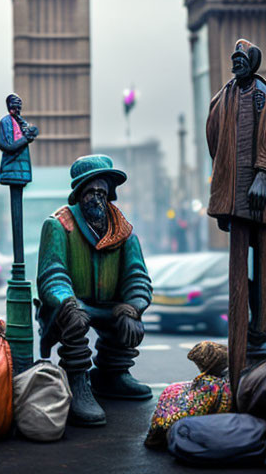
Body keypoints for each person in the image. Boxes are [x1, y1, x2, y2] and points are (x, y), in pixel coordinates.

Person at [206, 39, 266, 403]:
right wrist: (226, 198)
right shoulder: (221, 100)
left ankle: (265, 344)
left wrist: (264, 173)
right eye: (233, 59)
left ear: (255, 62)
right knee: (236, 283)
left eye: (242, 59)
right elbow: (216, 147)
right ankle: (237, 368)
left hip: (263, 198)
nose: (236, 64)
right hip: (236, 200)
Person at [36, 155, 153, 427]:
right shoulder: (58, 225)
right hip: (73, 305)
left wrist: (133, 306)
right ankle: (78, 381)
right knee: (74, 320)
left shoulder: (124, 233)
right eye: (90, 192)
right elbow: (52, 273)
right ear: (78, 195)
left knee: (129, 322)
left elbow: (137, 276)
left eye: (102, 192)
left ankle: (113, 373)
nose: (97, 198)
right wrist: (67, 301)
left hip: (110, 304)